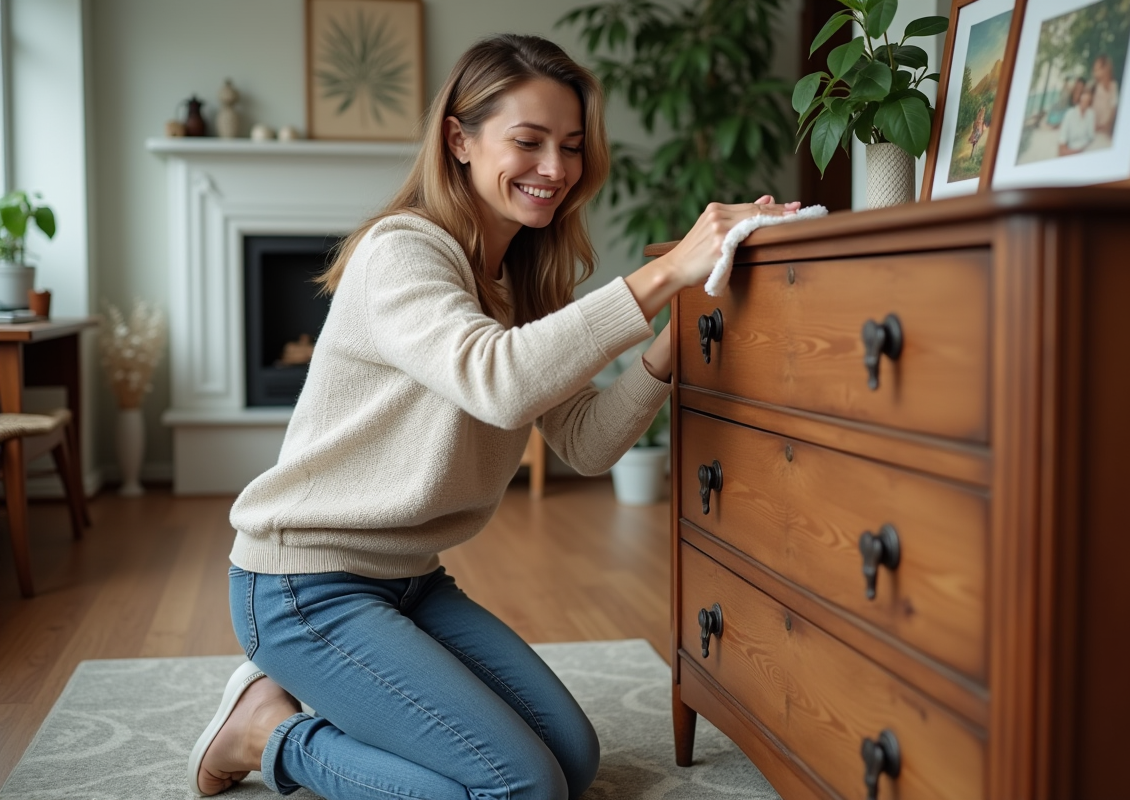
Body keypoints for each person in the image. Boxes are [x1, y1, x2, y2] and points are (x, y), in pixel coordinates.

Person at [187, 33, 800, 800]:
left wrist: (674, 335)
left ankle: (304, 705)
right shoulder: (402, 250)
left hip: (411, 581)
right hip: (304, 587)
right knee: (521, 790)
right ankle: (265, 734)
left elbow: (585, 443)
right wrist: (659, 273)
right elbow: (498, 381)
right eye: (529, 141)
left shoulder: (520, 281)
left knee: (571, 761)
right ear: (459, 139)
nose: (555, 169)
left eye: (571, 146)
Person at [1058, 82, 1096, 157]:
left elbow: (1091, 136)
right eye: (1083, 101)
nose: (1085, 104)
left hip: (1086, 149)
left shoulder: (1091, 114)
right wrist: (1070, 151)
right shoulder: (1069, 114)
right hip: (1071, 150)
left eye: (1087, 102)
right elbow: (1062, 139)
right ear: (1079, 99)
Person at [1091, 53, 1119, 137]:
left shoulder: (1113, 86)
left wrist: (1108, 125)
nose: (1095, 70)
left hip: (1105, 129)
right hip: (1094, 127)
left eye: (1098, 68)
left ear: (1106, 69)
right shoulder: (1094, 86)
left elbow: (1114, 108)